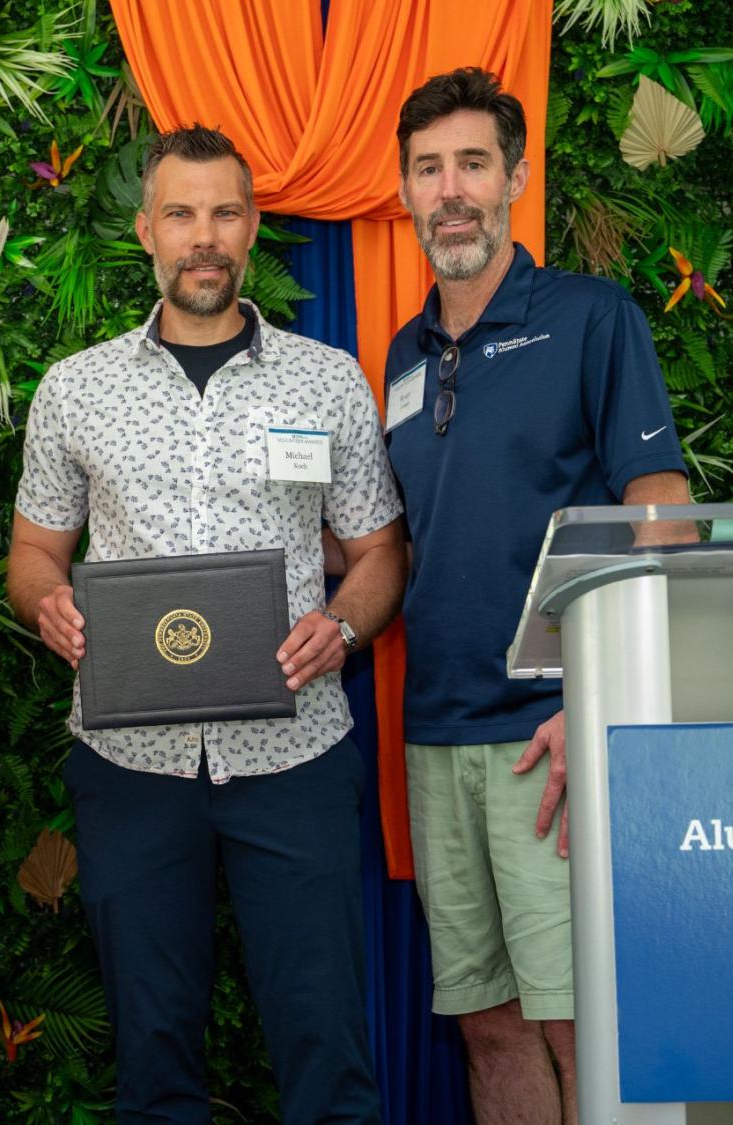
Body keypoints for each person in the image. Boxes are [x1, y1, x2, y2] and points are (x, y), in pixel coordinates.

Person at [7, 124, 407, 1125]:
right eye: (181, 213)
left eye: (225, 212)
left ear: (252, 225)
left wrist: (346, 629)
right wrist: (47, 602)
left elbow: (378, 555)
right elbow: (32, 554)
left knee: (326, 1051)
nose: (204, 235)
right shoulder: (76, 387)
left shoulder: (324, 379)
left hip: (296, 755)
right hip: (131, 762)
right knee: (152, 1063)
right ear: (146, 231)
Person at [385, 68, 690, 1125]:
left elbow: (662, 515)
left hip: (554, 737)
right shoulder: (402, 355)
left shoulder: (593, 319)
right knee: (490, 1024)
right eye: (429, 169)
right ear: (407, 192)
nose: (452, 189)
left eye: (473, 163)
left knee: (580, 1020)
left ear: (516, 176)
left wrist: (595, 703)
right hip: (436, 737)